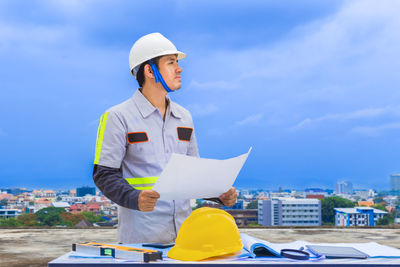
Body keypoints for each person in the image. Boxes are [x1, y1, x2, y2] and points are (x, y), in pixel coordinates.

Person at [93, 32, 238, 244]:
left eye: (177, 63)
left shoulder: (184, 117)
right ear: (150, 70)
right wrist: (135, 198)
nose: (179, 69)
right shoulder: (117, 117)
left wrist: (219, 194)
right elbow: (104, 175)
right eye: (171, 63)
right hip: (141, 238)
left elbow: (194, 174)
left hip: (184, 238)